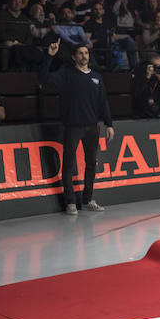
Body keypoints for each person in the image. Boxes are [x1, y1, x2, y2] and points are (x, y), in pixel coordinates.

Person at [40, 40, 113, 215]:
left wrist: (109, 124)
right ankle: (70, 202)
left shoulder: (96, 77)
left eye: (86, 53)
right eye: (80, 53)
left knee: (91, 164)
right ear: (74, 57)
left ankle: (87, 199)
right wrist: (49, 56)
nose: (84, 56)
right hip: (73, 127)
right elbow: (44, 79)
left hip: (92, 127)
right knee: (68, 164)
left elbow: (103, 102)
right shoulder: (66, 74)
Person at [130, 51, 160, 118]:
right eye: (157, 66)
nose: (159, 69)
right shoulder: (139, 76)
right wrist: (147, 78)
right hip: (141, 115)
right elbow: (136, 94)